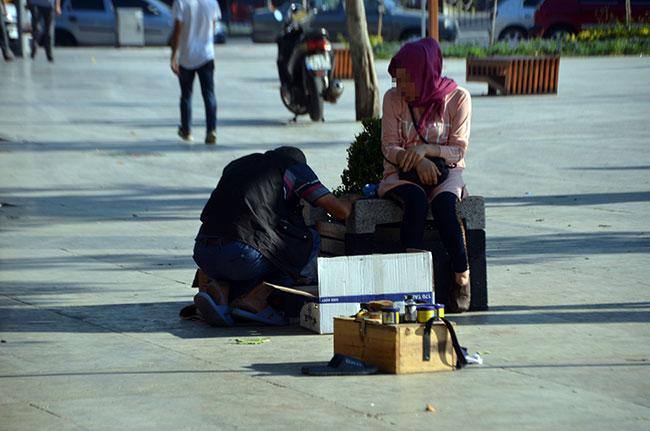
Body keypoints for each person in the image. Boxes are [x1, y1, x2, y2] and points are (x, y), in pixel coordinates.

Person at [192, 146, 362, 326]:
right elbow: (340, 211)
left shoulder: (237, 165)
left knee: (255, 249)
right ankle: (256, 298)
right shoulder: (294, 168)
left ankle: (222, 289)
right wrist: (349, 199)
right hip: (240, 255)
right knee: (308, 241)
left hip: (204, 253)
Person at [378, 37, 472, 313]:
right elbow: (389, 146)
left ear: (425, 73)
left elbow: (457, 149)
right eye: (398, 79)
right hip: (402, 172)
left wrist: (426, 151)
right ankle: (413, 284)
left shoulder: (458, 98)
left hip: (446, 172)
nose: (401, 87)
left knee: (444, 209)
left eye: (407, 79)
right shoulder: (392, 99)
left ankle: (462, 277)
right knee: (417, 205)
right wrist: (416, 162)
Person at [170, 0, 220, 144]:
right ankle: (211, 130)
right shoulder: (212, 2)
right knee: (209, 93)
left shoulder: (181, 2)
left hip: (187, 57)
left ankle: (186, 131)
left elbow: (178, 30)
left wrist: (173, 56)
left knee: (186, 95)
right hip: (206, 55)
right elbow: (213, 27)